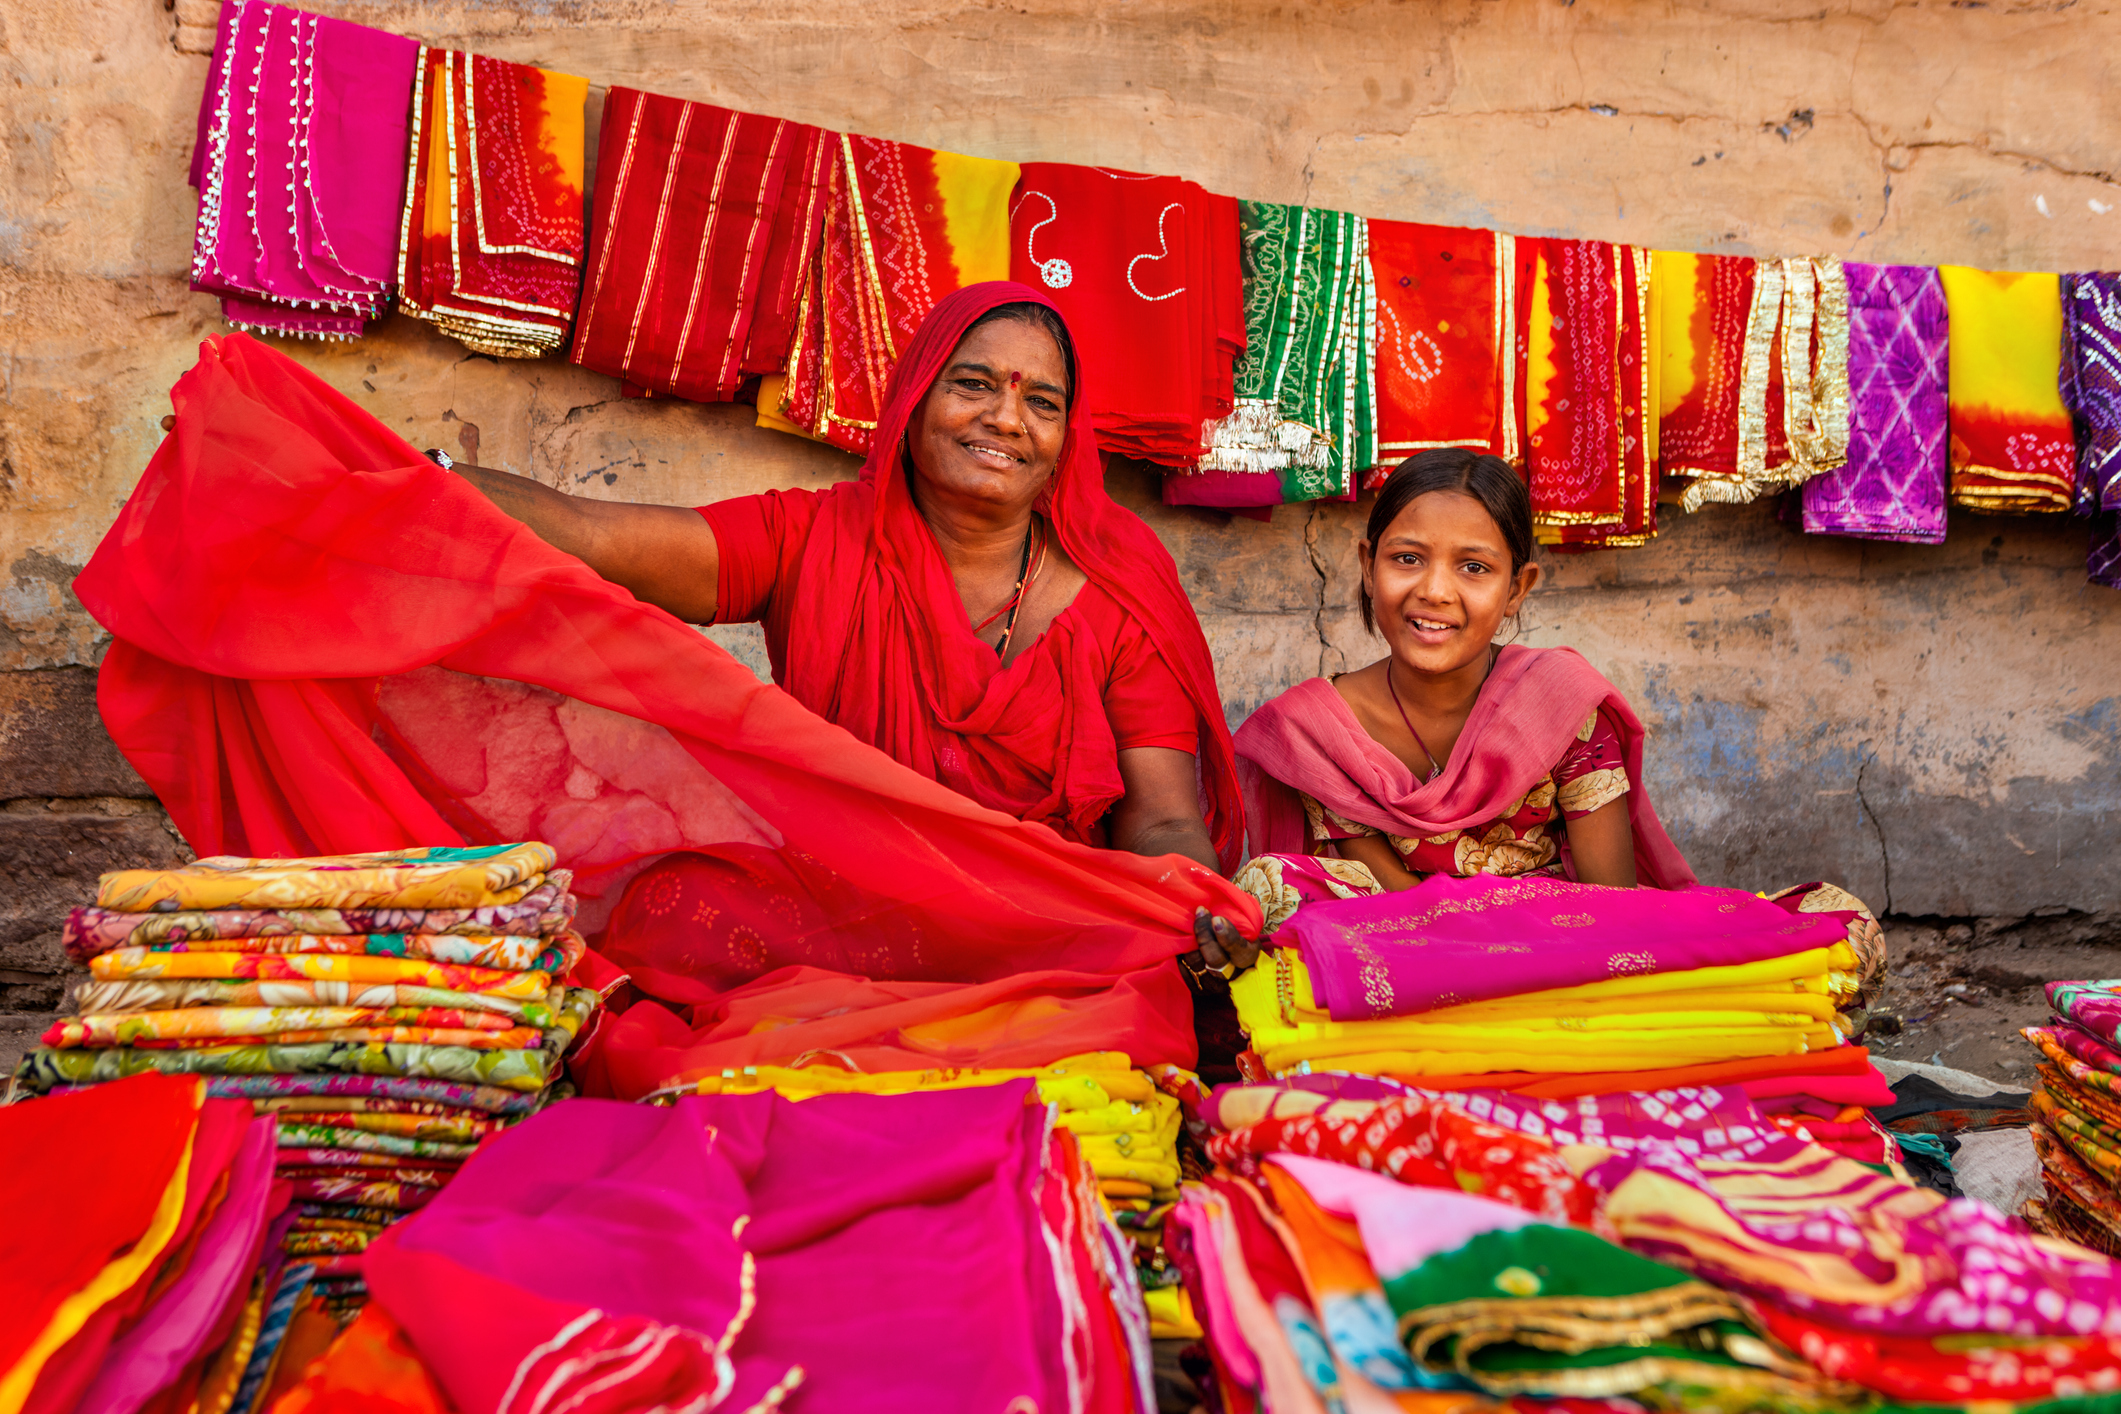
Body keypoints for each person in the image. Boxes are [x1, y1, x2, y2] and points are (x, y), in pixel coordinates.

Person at [449, 280, 1258, 979]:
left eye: (1041, 403)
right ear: (911, 402)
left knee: (1135, 979)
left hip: (1039, 920)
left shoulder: (1118, 585)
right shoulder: (814, 539)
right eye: (972, 385)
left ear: (1063, 442)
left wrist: (1187, 899)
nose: (1008, 419)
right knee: (667, 912)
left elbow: (1158, 818)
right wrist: (415, 477)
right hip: (848, 907)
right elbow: (595, 535)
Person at [1231, 447, 1698, 927]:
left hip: (1551, 943)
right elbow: (1394, 895)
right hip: (1407, 937)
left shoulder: (1559, 705)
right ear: (1369, 568)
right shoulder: (1319, 730)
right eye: (1408, 558)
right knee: (1272, 883)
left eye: (1474, 567)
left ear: (1517, 588)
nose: (1435, 590)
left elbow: (1611, 903)